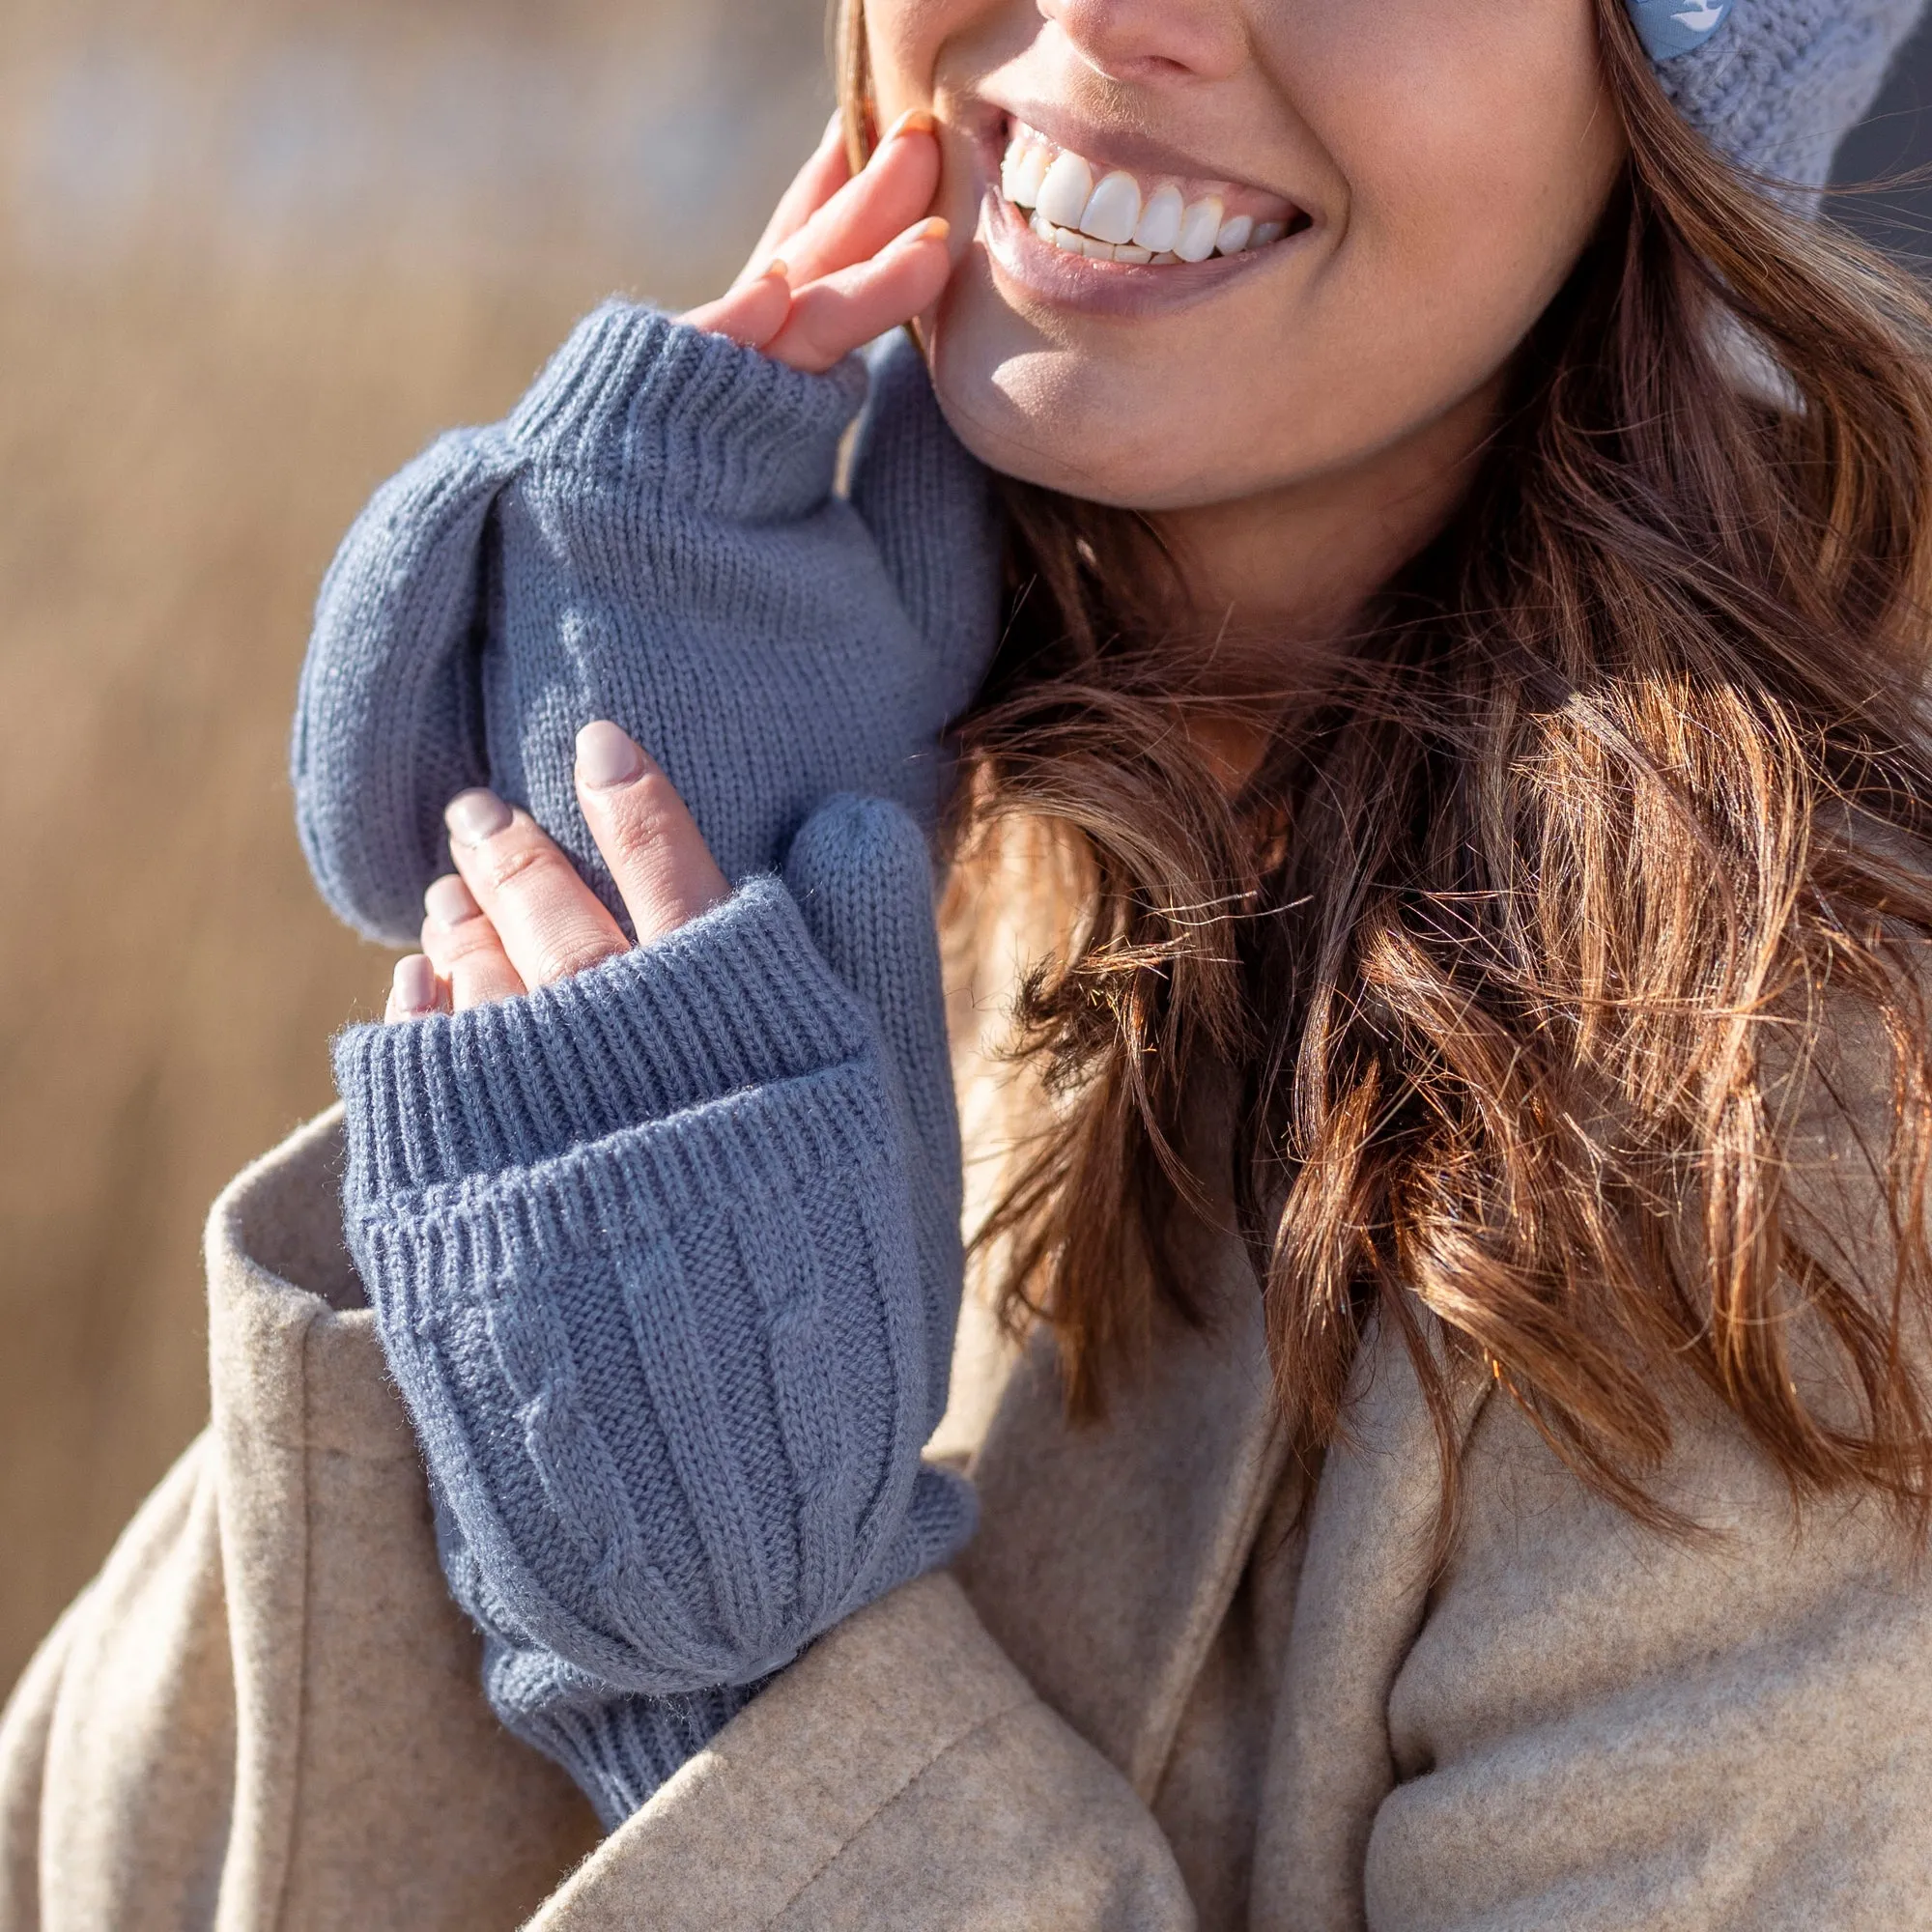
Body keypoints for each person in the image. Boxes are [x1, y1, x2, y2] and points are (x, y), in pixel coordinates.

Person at [7, 0, 1932, 1920]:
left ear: (1673, 103)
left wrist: (737, 1675)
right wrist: (648, 829)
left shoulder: (1802, 1128)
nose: (1106, 19)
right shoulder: (903, 792)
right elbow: (87, 1856)